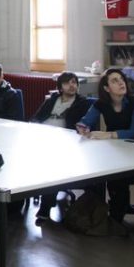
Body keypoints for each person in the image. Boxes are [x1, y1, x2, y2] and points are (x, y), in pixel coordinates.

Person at [76, 68, 134, 223]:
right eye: (115, 81)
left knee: (118, 179)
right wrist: (83, 127)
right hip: (113, 150)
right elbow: (85, 121)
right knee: (96, 173)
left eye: (121, 79)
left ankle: (116, 217)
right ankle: (98, 214)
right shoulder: (101, 104)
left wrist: (109, 134)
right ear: (107, 88)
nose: (121, 83)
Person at [31, 72, 92, 221]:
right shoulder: (52, 99)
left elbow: (84, 124)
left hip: (66, 141)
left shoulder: (82, 103)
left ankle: (45, 206)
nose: (71, 86)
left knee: (52, 167)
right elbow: (37, 117)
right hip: (43, 137)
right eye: (67, 83)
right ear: (60, 87)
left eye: (74, 82)